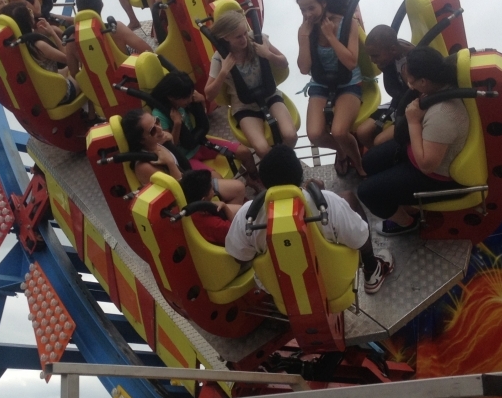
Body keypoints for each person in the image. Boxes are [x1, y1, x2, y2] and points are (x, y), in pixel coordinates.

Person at [225, 145, 393, 294]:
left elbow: (240, 257)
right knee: (348, 197)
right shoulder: (328, 202)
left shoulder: (247, 215)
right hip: (334, 282)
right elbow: (360, 238)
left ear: (265, 181)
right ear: (300, 175)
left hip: (281, 290)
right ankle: (372, 270)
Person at [357, 47, 468, 236]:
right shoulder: (437, 86)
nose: (409, 84)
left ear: (424, 81)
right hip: (419, 147)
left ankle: (408, 222)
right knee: (369, 161)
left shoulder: (443, 114)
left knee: (367, 192)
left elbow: (427, 165)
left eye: (411, 80)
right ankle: (404, 204)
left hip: (433, 174)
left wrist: (413, 121)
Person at [205, 9, 297, 158]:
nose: (244, 39)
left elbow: (284, 63)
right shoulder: (219, 58)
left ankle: (284, 161)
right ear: (226, 37)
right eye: (238, 37)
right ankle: (275, 168)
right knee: (262, 149)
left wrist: (268, 54)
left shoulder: (256, 39)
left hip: (270, 95)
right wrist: (223, 72)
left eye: (244, 34)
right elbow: (209, 95)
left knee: (290, 135)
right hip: (244, 105)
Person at [296, 0, 365, 177]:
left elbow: (351, 63)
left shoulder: (347, 23)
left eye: (311, 8)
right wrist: (303, 38)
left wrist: (332, 37)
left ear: (323, 3)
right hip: (321, 83)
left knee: (340, 131)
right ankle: (343, 150)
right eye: (303, 10)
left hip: (348, 81)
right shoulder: (306, 30)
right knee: (315, 135)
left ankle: (358, 163)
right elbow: (304, 68)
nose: (308, 15)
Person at [119, 109, 246, 208]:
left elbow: (177, 157)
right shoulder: (145, 167)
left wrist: (170, 140)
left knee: (239, 188)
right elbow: (177, 194)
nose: (159, 128)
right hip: (187, 198)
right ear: (141, 140)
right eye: (152, 130)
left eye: (157, 121)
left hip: (190, 181)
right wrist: (169, 163)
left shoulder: (158, 141)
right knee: (236, 191)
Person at [149, 70, 259, 181]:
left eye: (190, 95)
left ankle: (255, 179)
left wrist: (201, 101)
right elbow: (170, 147)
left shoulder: (184, 101)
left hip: (200, 143)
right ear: (172, 97)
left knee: (245, 153)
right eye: (186, 98)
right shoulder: (159, 115)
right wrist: (177, 124)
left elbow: (203, 120)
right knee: (218, 179)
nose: (189, 99)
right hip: (186, 157)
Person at [1, 2, 79, 105]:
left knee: (67, 70)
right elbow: (69, 59)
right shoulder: (39, 45)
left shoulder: (17, 45)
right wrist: (52, 32)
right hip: (60, 94)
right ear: (25, 20)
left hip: (41, 91)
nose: (31, 11)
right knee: (86, 74)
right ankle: (92, 116)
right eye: (28, 11)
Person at [354, 24, 414, 149]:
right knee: (362, 132)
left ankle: (388, 156)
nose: (372, 60)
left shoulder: (410, 63)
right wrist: (386, 68)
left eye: (375, 56)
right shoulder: (392, 51)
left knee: (379, 141)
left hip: (413, 105)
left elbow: (415, 93)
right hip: (398, 102)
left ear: (392, 50)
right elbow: (393, 90)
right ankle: (378, 156)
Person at [180, 169, 236, 246]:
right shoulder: (217, 225)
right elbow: (238, 233)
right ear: (203, 200)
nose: (214, 192)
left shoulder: (178, 210)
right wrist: (225, 207)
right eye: (212, 189)